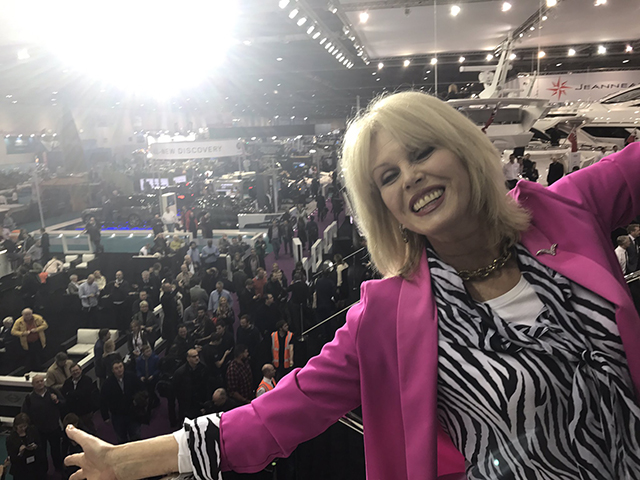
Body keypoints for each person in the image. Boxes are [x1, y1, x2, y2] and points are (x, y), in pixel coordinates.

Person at [64, 96, 640, 479]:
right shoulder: (386, 317)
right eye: (387, 176)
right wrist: (126, 461)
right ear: (383, 205)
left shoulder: (568, 208)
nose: (409, 176)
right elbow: (276, 415)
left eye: (421, 152)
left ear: (463, 151)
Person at [21, 374, 65, 472]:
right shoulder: (29, 398)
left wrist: (57, 401)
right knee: (41, 453)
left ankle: (59, 468)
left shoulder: (53, 392)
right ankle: (43, 472)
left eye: (41, 381)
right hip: (39, 431)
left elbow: (63, 404)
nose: (40, 383)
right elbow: (24, 415)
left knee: (56, 450)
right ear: (33, 384)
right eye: (37, 382)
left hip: (54, 428)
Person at [100, 360, 143, 444]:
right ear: (112, 370)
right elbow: (103, 400)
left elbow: (141, 389)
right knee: (121, 438)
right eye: (116, 368)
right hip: (117, 416)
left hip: (132, 413)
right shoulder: (107, 383)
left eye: (121, 367)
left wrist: (139, 402)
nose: (119, 370)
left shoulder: (131, 376)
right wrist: (105, 416)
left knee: (136, 436)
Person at [172, 349, 211, 422]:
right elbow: (176, 389)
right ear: (188, 359)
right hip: (187, 403)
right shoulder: (180, 373)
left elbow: (207, 385)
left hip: (200, 399)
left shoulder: (203, 368)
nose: (197, 358)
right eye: (194, 356)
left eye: (197, 355)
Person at [6, 413, 47, 479]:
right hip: (20, 468)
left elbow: (40, 445)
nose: (23, 428)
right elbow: (12, 457)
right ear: (16, 426)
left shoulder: (32, 430)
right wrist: (20, 452)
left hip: (34, 466)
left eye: (25, 426)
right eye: (20, 427)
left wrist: (35, 447)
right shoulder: (11, 438)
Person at [61, 363, 98, 435]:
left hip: (85, 411)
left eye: (77, 370)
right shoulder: (67, 382)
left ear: (81, 370)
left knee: (89, 430)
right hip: (73, 412)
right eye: (73, 371)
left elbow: (84, 393)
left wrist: (71, 393)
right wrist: (75, 394)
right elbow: (64, 393)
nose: (75, 372)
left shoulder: (87, 380)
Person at [136, 344, 160, 411]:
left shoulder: (155, 358)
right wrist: (140, 376)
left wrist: (153, 375)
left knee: (151, 392)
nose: (149, 353)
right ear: (143, 352)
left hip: (153, 377)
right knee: (148, 391)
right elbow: (138, 369)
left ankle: (149, 409)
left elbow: (158, 369)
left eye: (150, 351)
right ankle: (157, 400)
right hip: (144, 378)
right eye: (147, 352)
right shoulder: (139, 360)